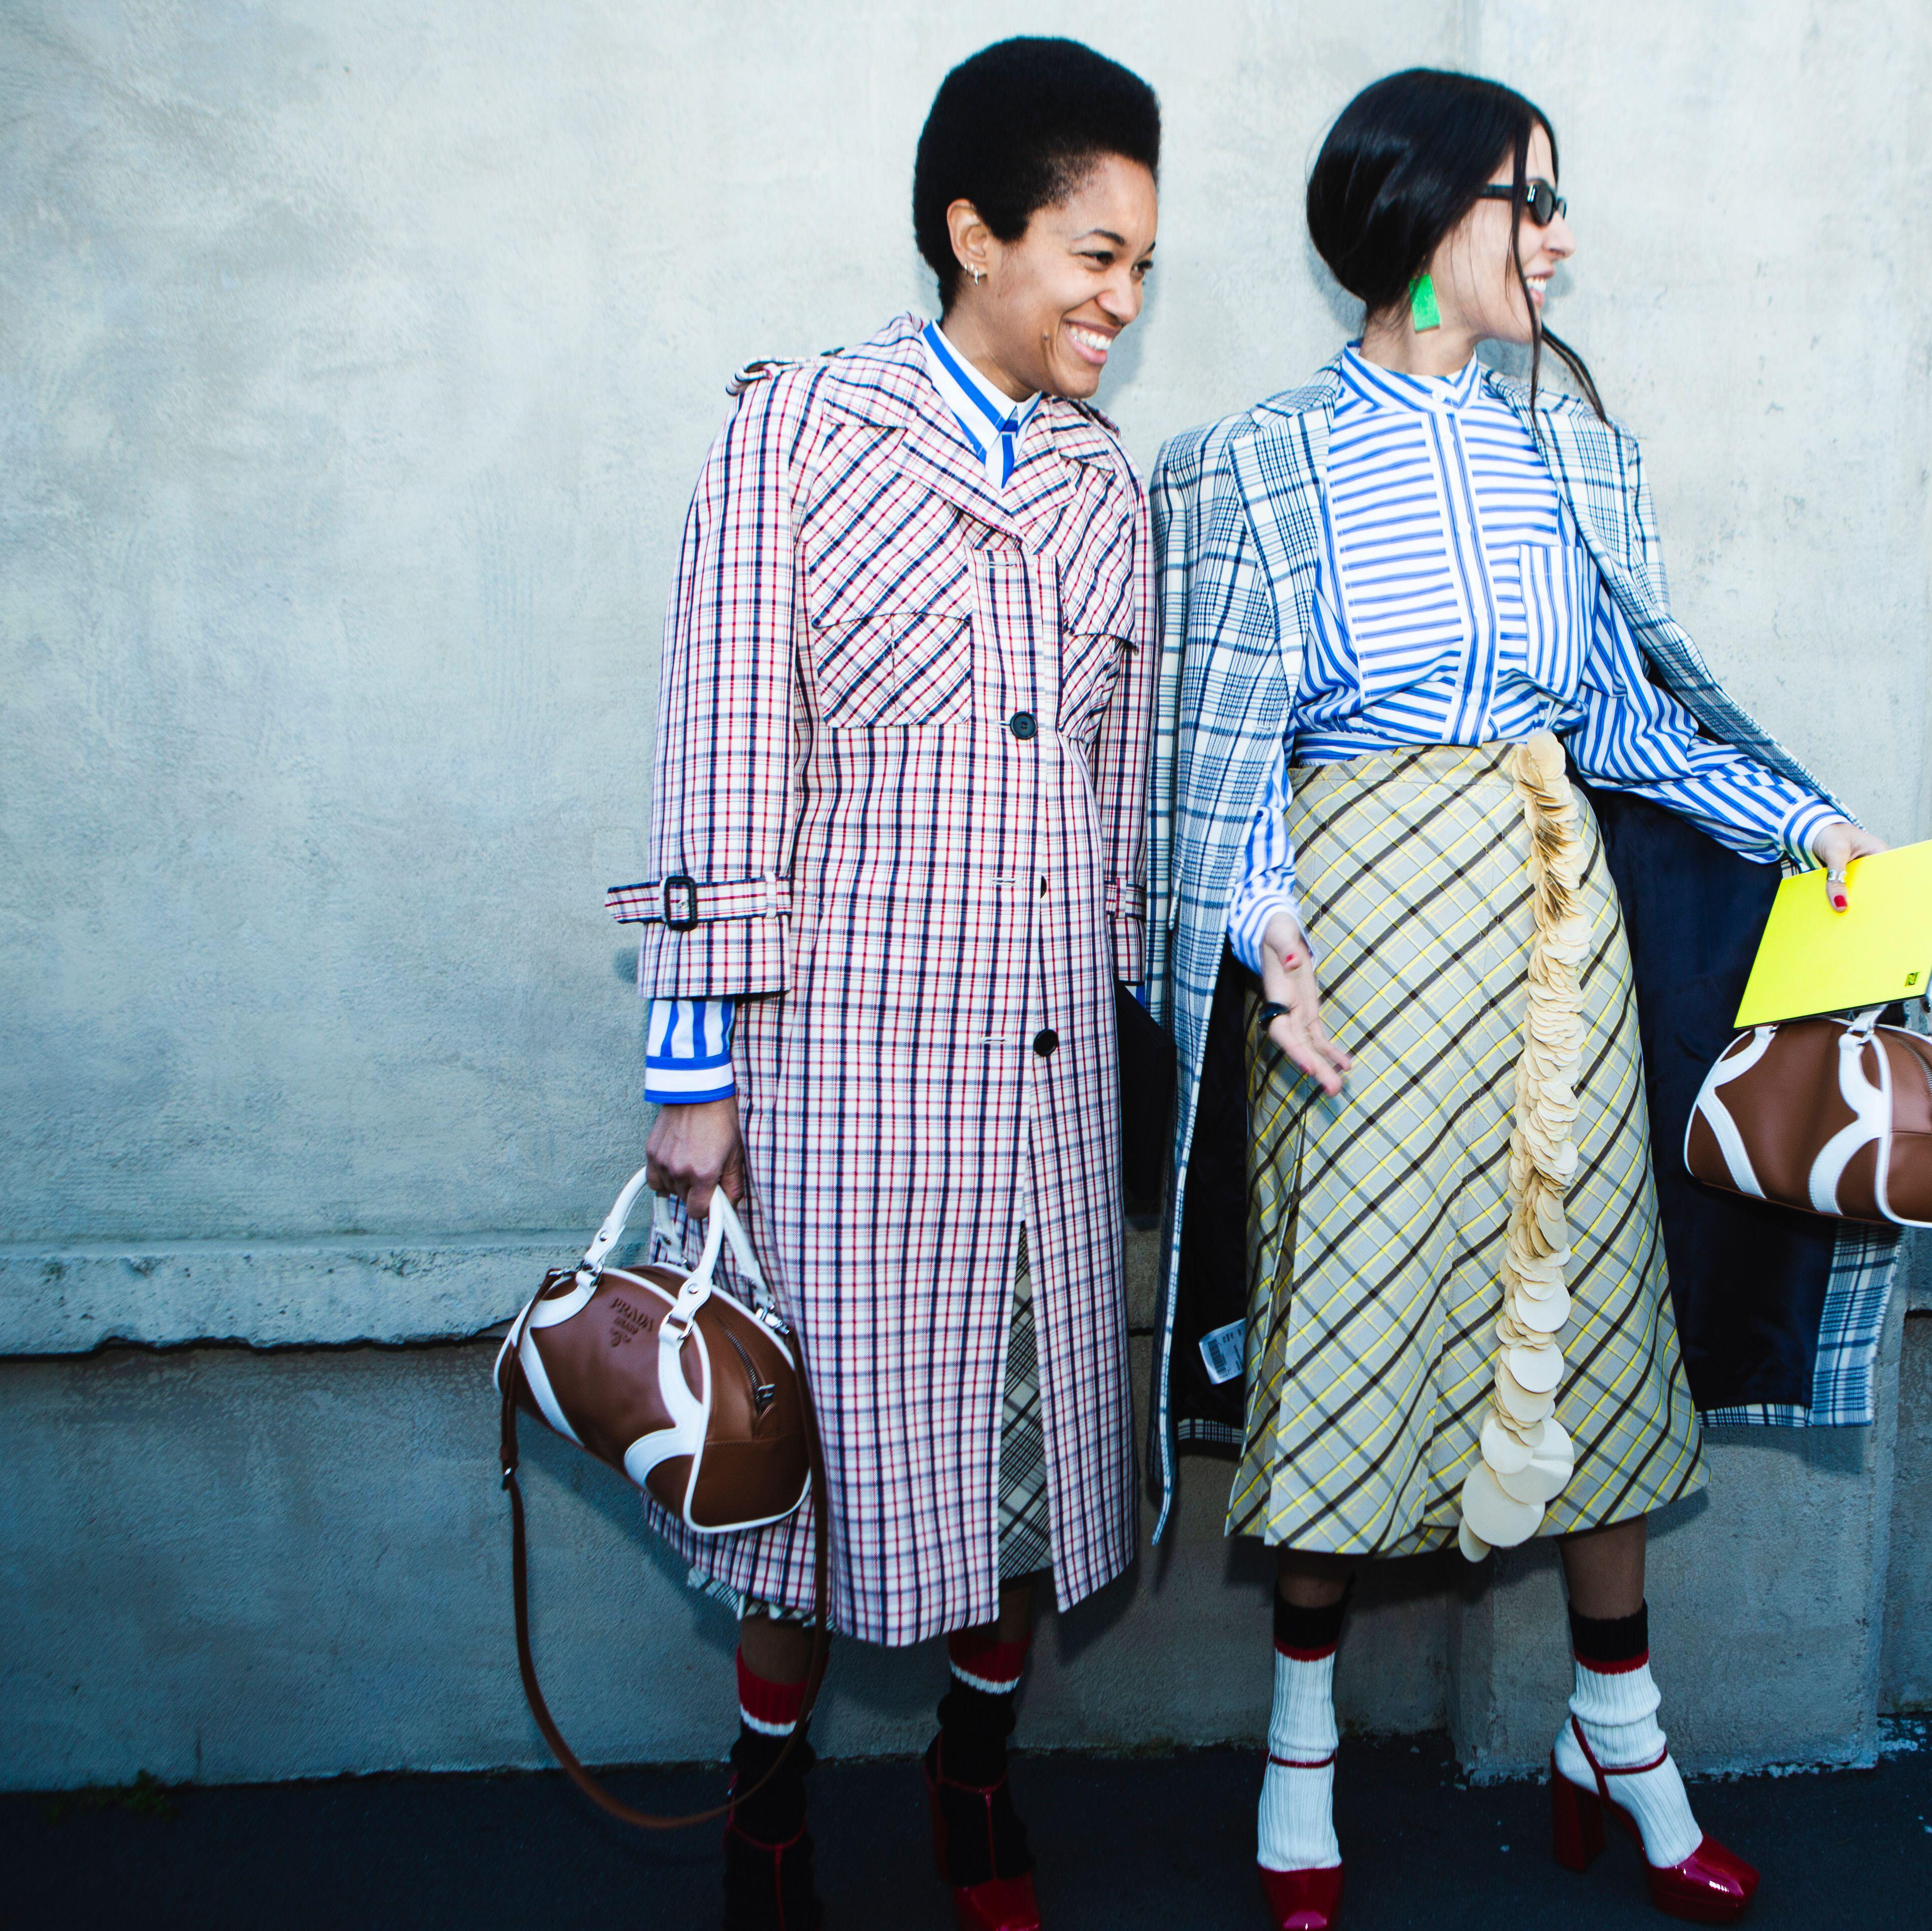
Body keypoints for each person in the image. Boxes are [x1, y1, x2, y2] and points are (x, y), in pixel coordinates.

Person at [1146, 68, 1888, 1930]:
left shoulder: (1571, 449)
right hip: (1363, 949)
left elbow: (1632, 723)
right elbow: (1210, 752)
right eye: (1526, 200)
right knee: (1358, 1325)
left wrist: (1813, 827)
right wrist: (1260, 937)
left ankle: (1619, 1727)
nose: (1558, 238)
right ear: (1418, 223)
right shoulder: (1255, 464)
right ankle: (1298, 1758)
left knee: (1603, 1309)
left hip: (1560, 925)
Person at [609, 37, 1163, 1931]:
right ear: (971, 231)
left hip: (1047, 1074)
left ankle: (972, 1782)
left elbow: (1117, 793)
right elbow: (719, 750)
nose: (1120, 298)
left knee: (1026, 1451)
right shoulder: (797, 434)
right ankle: (768, 1806)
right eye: (1094, 253)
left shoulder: (1110, 490)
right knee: (809, 1470)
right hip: (841, 1073)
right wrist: (695, 1071)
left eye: (1143, 268)